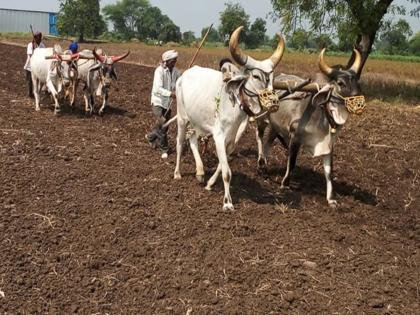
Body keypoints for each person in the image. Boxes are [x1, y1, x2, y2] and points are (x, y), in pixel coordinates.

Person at [145, 49, 181, 159]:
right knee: (162, 122)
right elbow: (157, 89)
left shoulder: (176, 71)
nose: (174, 62)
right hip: (158, 102)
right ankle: (164, 149)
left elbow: (180, 81)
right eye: (172, 60)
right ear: (166, 61)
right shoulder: (159, 71)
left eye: (175, 60)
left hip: (168, 103)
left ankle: (150, 137)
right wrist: (170, 94)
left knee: (164, 127)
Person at [24, 31, 46, 98]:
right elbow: (30, 56)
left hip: (39, 67)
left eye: (39, 37)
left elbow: (44, 55)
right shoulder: (30, 45)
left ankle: (37, 93)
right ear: (34, 37)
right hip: (30, 66)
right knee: (30, 82)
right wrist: (36, 51)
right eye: (37, 37)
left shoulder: (42, 45)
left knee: (39, 80)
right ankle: (31, 93)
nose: (38, 39)